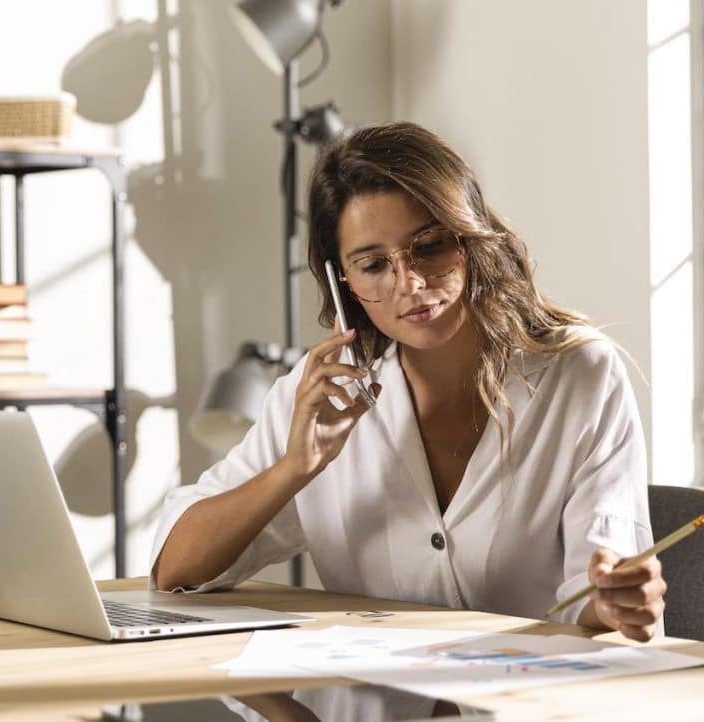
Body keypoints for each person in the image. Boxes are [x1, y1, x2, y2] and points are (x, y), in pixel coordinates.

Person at [151, 122, 665, 641]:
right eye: (374, 264)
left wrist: (616, 602)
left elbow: (599, 590)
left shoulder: (579, 375)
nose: (410, 283)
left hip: (535, 683)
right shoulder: (321, 395)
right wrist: (294, 468)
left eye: (430, 246)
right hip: (369, 686)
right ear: (343, 281)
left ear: (469, 238)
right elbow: (174, 570)